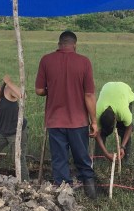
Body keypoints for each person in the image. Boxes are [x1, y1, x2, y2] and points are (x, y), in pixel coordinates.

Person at [35, 31, 98, 198]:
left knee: (59, 159)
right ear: (74, 45)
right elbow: (89, 95)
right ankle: (90, 191)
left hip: (55, 120)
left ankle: (65, 194)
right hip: (78, 121)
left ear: (59, 44)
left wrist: (52, 89)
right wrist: (94, 122)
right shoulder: (84, 62)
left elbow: (39, 90)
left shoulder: (46, 60)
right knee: (82, 157)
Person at [95, 81, 134, 162]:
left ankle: (125, 158)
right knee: (102, 132)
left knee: (124, 129)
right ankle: (99, 159)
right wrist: (106, 154)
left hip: (124, 90)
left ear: (115, 119)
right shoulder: (97, 112)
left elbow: (129, 127)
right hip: (108, 86)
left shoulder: (123, 112)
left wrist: (122, 147)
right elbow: (97, 133)